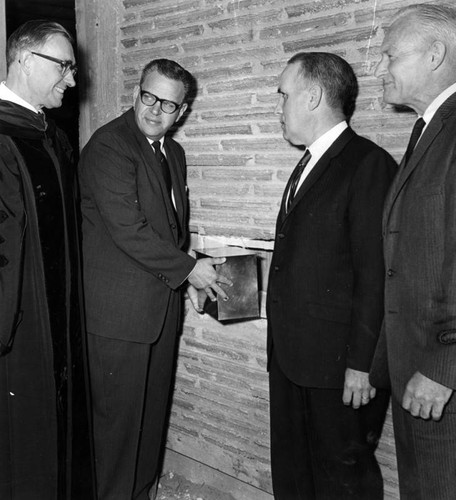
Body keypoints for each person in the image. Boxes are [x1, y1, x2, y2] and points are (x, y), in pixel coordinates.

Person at [79, 58, 231, 500]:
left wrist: (193, 267)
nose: (155, 110)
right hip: (117, 316)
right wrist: (189, 270)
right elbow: (130, 229)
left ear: (181, 112)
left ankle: (141, 492)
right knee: (116, 428)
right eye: (149, 97)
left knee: (149, 417)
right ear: (135, 93)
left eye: (168, 104)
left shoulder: (173, 153)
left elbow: (168, 230)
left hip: (157, 308)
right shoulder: (110, 146)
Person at [266, 52, 396, 499]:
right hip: (292, 357)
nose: (278, 107)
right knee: (294, 472)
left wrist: (361, 365)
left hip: (339, 369)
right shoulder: (308, 163)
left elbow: (377, 275)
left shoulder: (368, 165)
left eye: (283, 95)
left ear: (314, 95)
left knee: (343, 481)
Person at [0, 20, 95, 499]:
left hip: (58, 322)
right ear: (22, 59)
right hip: (17, 335)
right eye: (63, 66)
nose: (73, 81)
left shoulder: (52, 137)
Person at [369, 4, 456, 499]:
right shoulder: (429, 127)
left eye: (389, 56)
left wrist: (443, 369)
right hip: (415, 368)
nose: (379, 69)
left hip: (440, 377)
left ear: (435, 54)